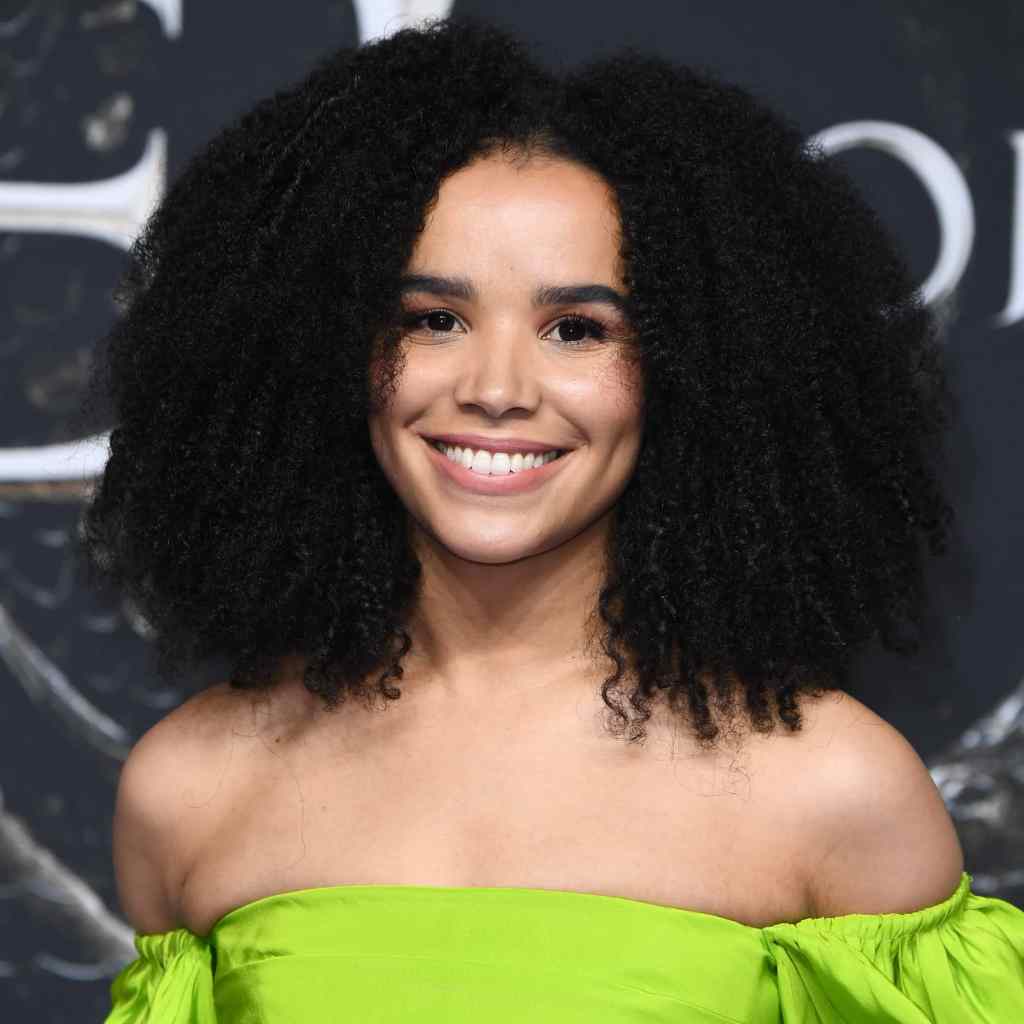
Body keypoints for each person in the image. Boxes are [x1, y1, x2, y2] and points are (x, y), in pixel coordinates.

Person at [81, 15, 1024, 1023]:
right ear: (324, 349)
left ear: (694, 370)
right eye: (433, 320)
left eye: (577, 329)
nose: (496, 388)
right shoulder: (190, 793)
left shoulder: (836, 792)